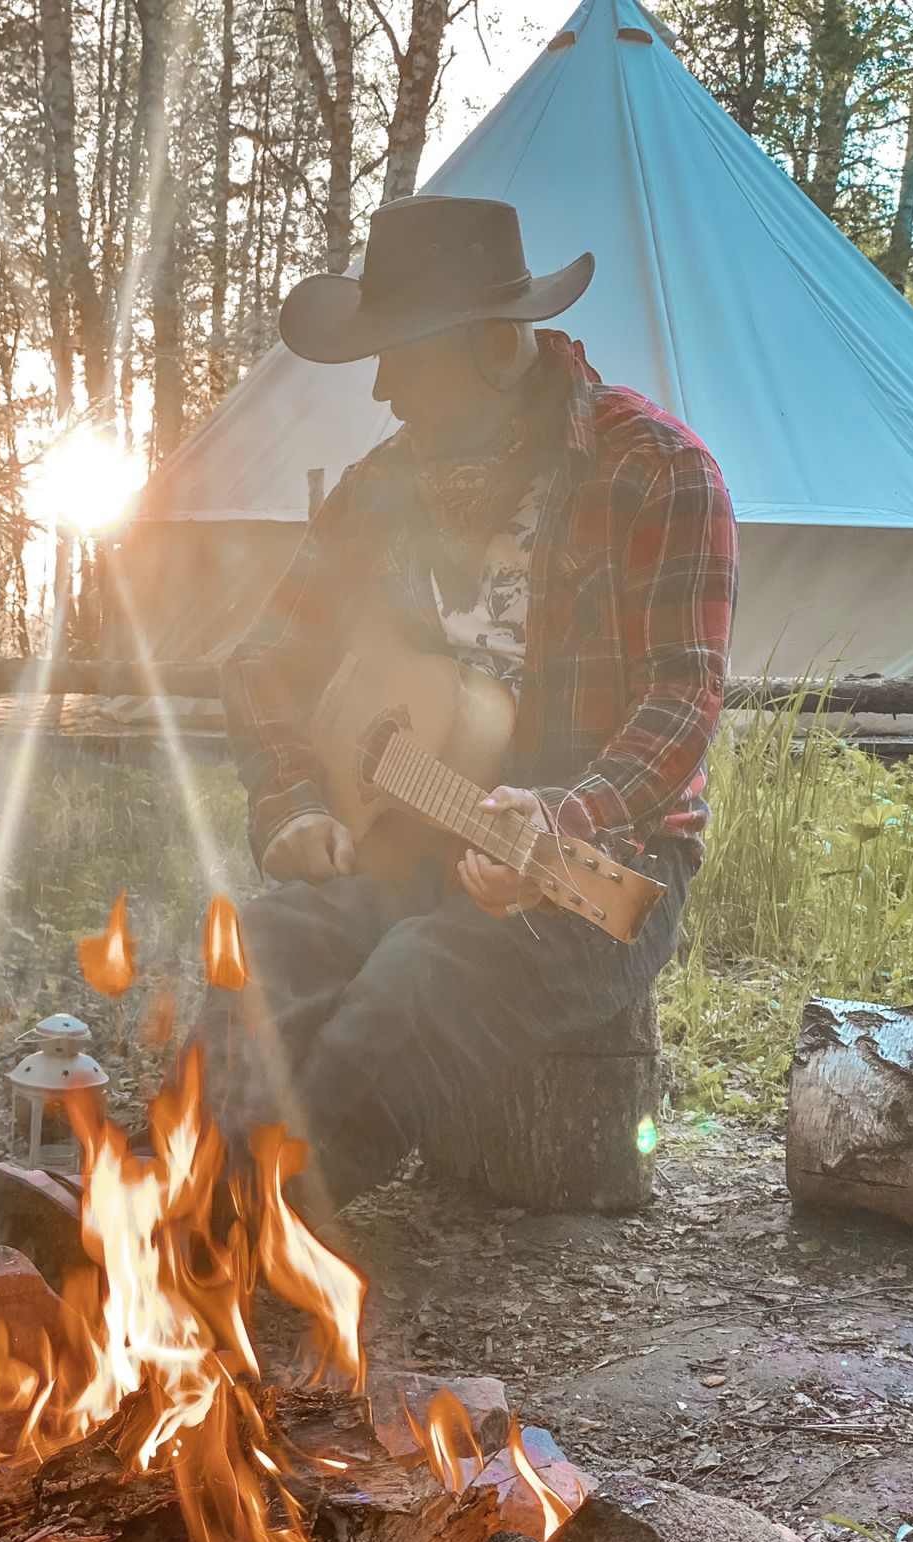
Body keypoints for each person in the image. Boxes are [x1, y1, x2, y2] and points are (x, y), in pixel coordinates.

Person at [193, 194, 738, 1220]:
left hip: (597, 868)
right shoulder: (382, 487)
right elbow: (264, 658)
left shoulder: (657, 472)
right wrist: (294, 805)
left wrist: (563, 810)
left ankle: (219, 1231)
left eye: (405, 352)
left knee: (413, 985)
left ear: (497, 346)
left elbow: (683, 696)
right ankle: (167, 1189)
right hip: (412, 841)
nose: (384, 386)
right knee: (260, 949)